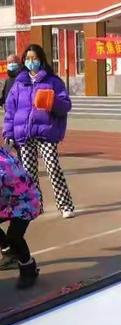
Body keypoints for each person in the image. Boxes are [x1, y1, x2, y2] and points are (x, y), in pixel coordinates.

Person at [3, 44, 75, 219]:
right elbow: (10, 111)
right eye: (27, 59)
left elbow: (66, 106)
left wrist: (52, 101)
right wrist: (8, 133)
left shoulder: (53, 81)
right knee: (29, 173)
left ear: (41, 60)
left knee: (53, 167)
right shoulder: (19, 83)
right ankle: (36, 206)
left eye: (34, 58)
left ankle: (65, 205)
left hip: (46, 133)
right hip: (24, 134)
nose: (31, 62)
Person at [0, 147, 42, 288]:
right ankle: (9, 252)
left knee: (14, 236)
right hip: (8, 200)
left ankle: (28, 269)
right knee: (12, 240)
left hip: (25, 201)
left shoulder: (2, 162)